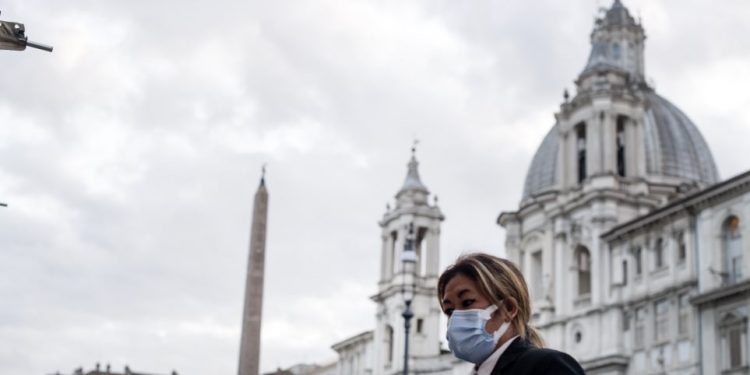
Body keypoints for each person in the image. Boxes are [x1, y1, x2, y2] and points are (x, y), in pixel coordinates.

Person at [438, 253, 585, 375]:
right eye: (449, 311)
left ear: (509, 308)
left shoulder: (548, 367)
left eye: (468, 302)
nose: (457, 317)